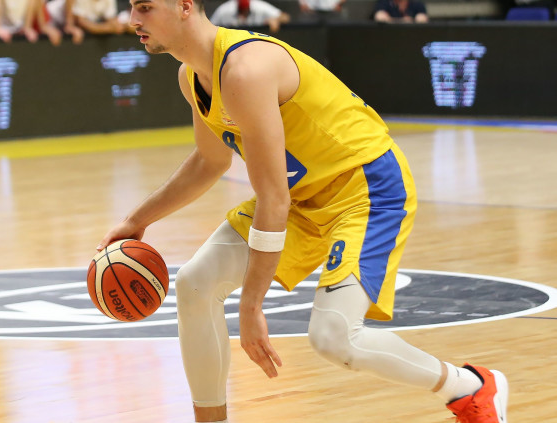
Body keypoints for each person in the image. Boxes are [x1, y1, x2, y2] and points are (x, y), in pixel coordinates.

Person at [96, 0, 508, 422]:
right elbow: (209, 161)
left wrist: (251, 305)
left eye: (145, 7)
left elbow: (273, 198)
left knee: (335, 337)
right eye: (132, 7)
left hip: (364, 189)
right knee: (195, 285)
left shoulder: (245, 70)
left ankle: (470, 388)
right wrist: (136, 221)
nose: (133, 20)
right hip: (301, 197)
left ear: (185, 6)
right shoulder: (191, 76)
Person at [209, 0, 290, 33]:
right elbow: (209, 26)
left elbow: (285, 17)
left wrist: (275, 19)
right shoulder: (225, 10)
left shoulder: (259, 7)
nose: (243, 15)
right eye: (241, 11)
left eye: (245, 11)